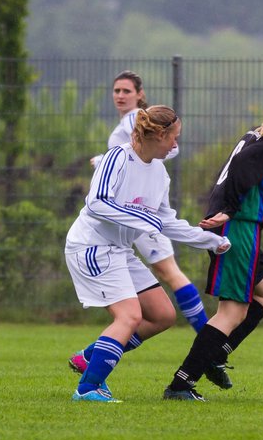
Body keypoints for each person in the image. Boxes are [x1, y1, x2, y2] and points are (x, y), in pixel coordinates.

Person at [162, 87, 263, 401]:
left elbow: (234, 170)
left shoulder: (261, 133)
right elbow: (239, 170)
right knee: (232, 312)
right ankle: (182, 383)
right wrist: (229, 211)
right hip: (238, 228)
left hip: (240, 226)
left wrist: (222, 210)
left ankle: (215, 354)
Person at [71, 70, 227, 387]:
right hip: (91, 247)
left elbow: (165, 221)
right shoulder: (116, 157)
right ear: (158, 136)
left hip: (120, 251)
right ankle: (88, 388)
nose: (176, 144)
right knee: (129, 317)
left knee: (162, 315)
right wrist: (143, 220)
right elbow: (97, 203)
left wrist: (209, 240)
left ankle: (91, 357)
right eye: (174, 137)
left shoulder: (159, 174)